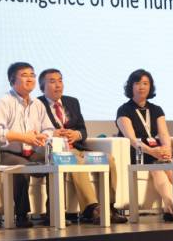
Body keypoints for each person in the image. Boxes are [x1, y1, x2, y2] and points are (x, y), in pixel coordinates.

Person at [37, 68, 127, 225]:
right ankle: (91, 209)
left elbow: (83, 130)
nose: (58, 85)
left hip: (79, 149)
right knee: (75, 161)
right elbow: (36, 131)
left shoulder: (72, 102)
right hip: (60, 152)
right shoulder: (37, 104)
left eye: (60, 80)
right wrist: (53, 134)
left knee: (108, 159)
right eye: (52, 81)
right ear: (42, 87)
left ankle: (109, 207)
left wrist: (76, 134)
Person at [116, 69, 173, 222]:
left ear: (150, 87)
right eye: (137, 83)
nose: (141, 87)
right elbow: (132, 139)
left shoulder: (156, 109)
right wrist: (152, 151)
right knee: (158, 167)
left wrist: (166, 149)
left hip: (155, 151)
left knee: (166, 166)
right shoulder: (124, 110)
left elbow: (164, 134)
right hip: (137, 152)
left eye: (145, 83)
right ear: (131, 86)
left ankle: (169, 208)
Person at [0, 62, 54, 228]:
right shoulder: (3, 102)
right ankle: (22, 215)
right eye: (24, 75)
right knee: (22, 167)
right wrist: (23, 138)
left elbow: (49, 129)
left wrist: (43, 136)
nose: (30, 79)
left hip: (32, 152)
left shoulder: (38, 104)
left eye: (32, 75)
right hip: (8, 152)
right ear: (12, 80)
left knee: (55, 163)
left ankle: (53, 213)